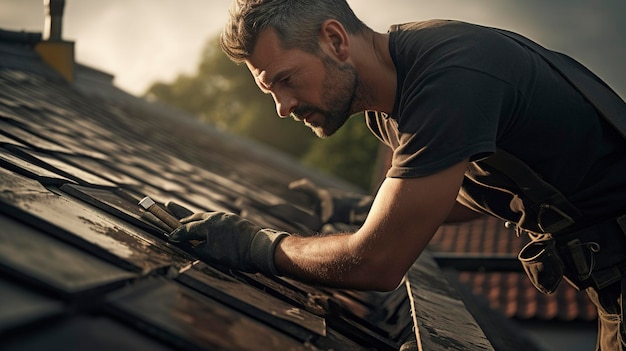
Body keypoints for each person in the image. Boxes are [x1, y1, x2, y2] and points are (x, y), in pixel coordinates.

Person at [168, 0, 626, 349]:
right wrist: (368, 210)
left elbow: (379, 262)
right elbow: (458, 197)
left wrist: (256, 245)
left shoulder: (448, 75)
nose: (283, 107)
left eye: (285, 80)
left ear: (335, 40)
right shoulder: (387, 110)